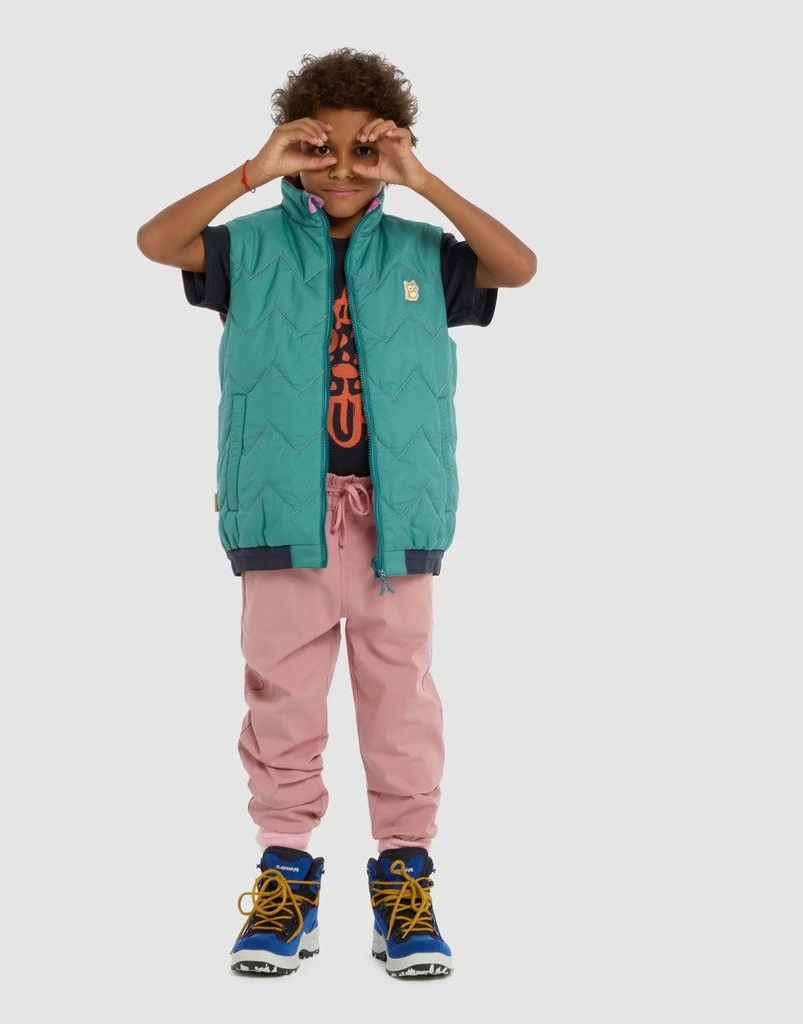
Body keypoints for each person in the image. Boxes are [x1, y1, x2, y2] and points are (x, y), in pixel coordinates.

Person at [137, 47, 537, 979]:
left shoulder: (423, 253)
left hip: (398, 523)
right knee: (281, 701)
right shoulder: (250, 248)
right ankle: (287, 878)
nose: (346, 168)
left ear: (396, 151)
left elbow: (517, 267)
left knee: (401, 705)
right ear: (293, 147)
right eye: (323, 149)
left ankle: (404, 882)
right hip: (284, 517)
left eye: (368, 151)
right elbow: (157, 240)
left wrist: (423, 182)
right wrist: (254, 171)